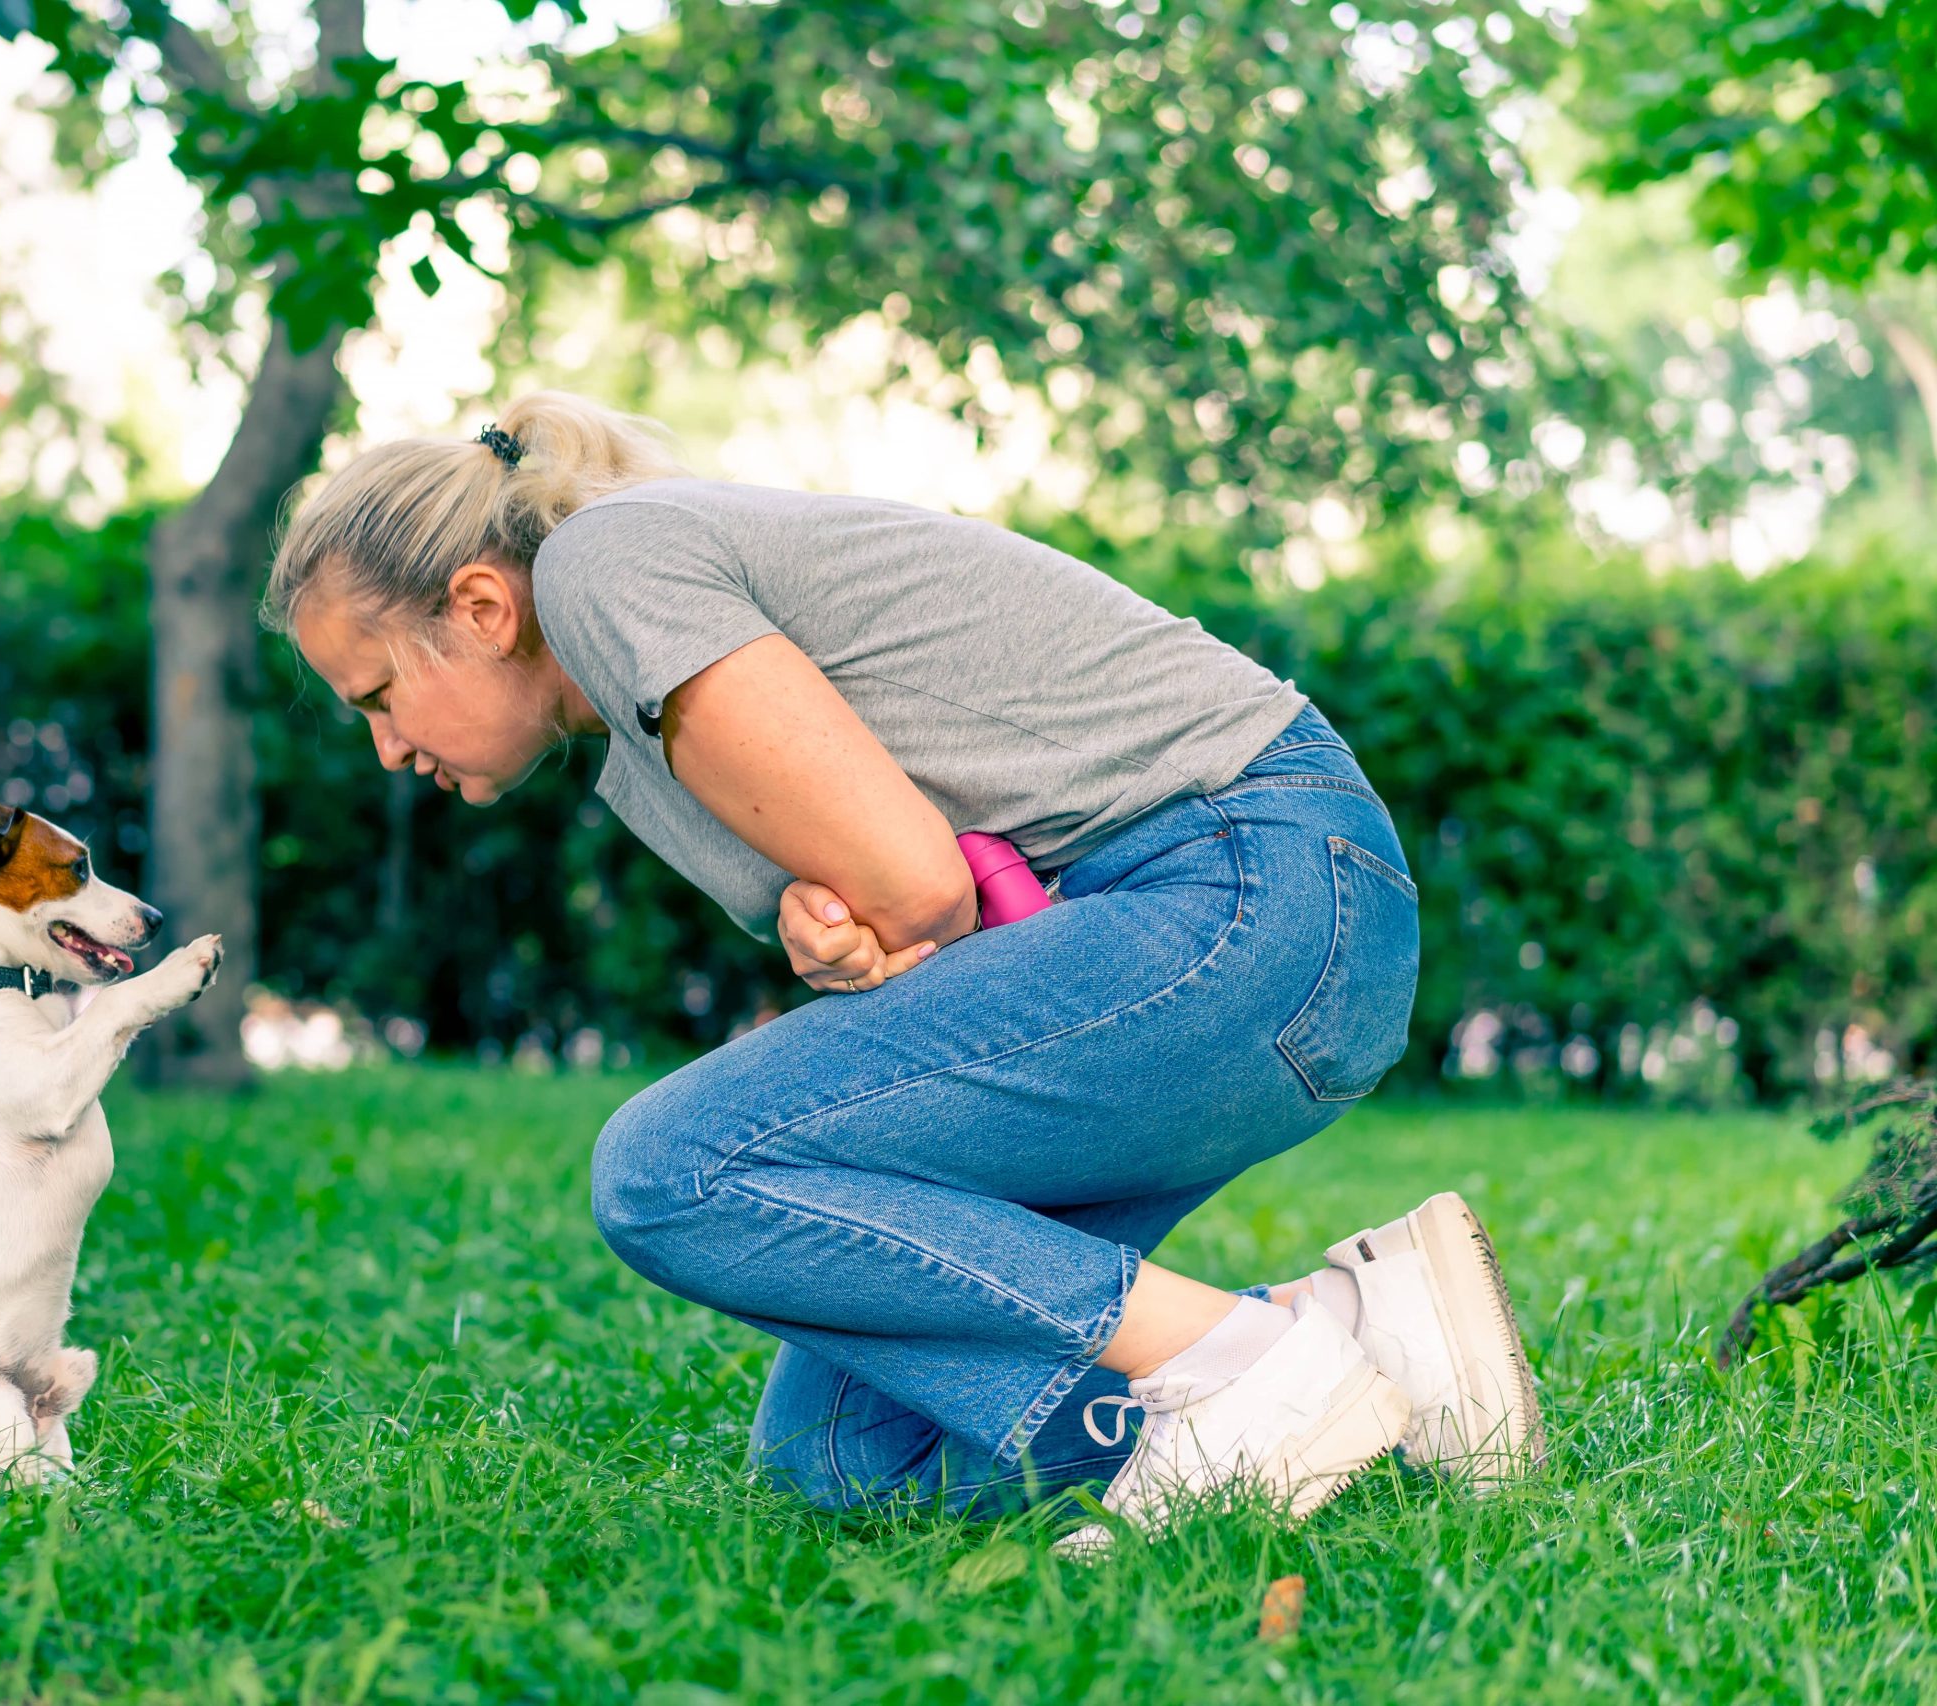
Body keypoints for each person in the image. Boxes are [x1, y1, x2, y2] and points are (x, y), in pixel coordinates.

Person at [262, 392, 1543, 1555]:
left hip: (1244, 889)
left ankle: (1248, 1364)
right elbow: (926, 916)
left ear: (482, 608)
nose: (384, 748)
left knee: (672, 1170)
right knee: (850, 1461)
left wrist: (880, 904)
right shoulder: (629, 736)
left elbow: (914, 884)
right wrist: (843, 936)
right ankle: (1370, 1351)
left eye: (377, 694)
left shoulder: (606, 567)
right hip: (1233, 944)